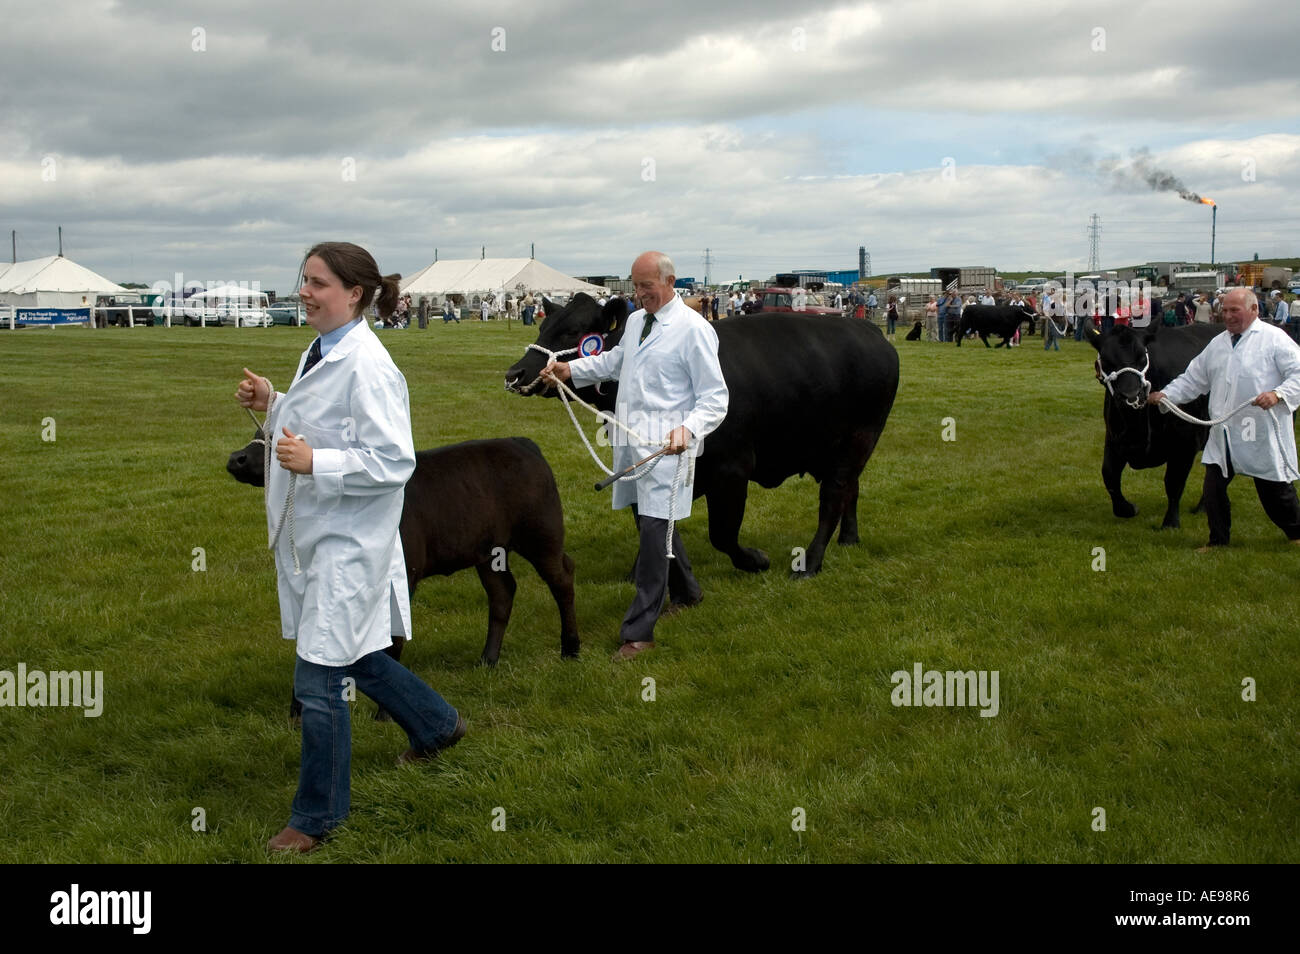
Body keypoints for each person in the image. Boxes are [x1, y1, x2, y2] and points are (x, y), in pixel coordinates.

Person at [236, 242, 463, 853]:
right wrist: (276, 403)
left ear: (355, 293)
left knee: (318, 676)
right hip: (324, 534)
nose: (304, 292)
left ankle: (317, 816)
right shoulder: (323, 347)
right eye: (303, 280)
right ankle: (438, 726)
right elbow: (326, 420)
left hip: (349, 542)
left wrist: (317, 462)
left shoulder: (370, 365)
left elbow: (395, 461)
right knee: (353, 654)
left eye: (317, 283)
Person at [542, 251, 728, 660]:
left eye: (647, 286)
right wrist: (571, 370)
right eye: (635, 285)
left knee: (651, 536)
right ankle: (689, 592)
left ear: (670, 282)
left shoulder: (693, 330)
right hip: (631, 442)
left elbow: (715, 398)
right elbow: (615, 362)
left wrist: (689, 429)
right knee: (653, 522)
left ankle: (639, 631)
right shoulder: (635, 322)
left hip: (667, 449)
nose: (639, 293)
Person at [1147, 288, 1300, 551]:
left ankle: (1296, 532)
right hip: (1225, 430)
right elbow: (1194, 378)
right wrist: (1167, 395)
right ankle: (1217, 541)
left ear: (1254, 310)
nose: (1227, 316)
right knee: (1213, 488)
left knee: (1275, 491)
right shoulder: (1218, 344)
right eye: (1225, 310)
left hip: (1260, 428)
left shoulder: (1275, 339)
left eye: (1234, 310)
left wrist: (1279, 394)